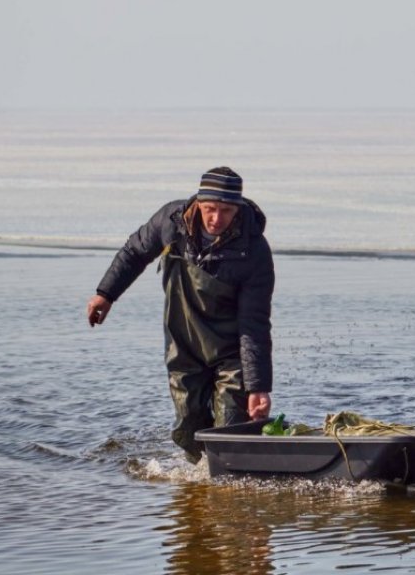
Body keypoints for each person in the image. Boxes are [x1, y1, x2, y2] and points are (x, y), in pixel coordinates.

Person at [86, 167, 275, 462]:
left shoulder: (254, 250)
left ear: (237, 208)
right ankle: (197, 495)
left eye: (225, 210)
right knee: (189, 431)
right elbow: (135, 252)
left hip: (232, 353)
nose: (216, 218)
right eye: (209, 208)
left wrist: (258, 386)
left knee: (230, 434)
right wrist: (106, 294)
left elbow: (255, 324)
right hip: (183, 346)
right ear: (198, 202)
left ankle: (233, 492)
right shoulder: (172, 222)